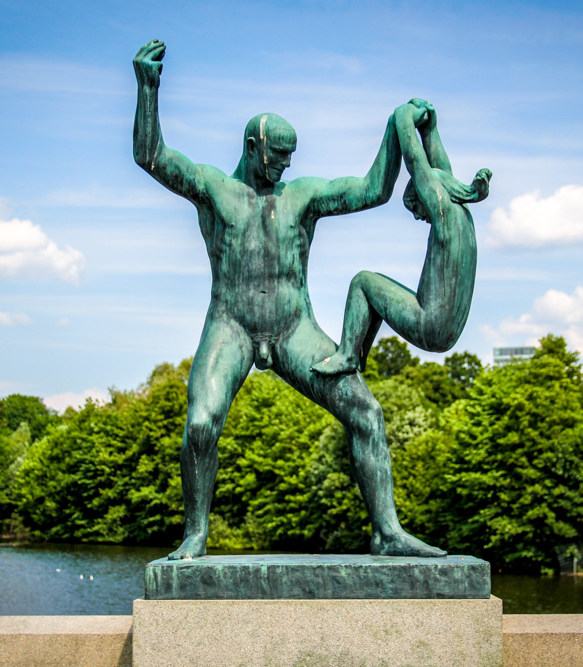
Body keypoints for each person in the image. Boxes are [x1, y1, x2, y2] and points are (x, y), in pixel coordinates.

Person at [132, 39, 444, 560]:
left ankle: (387, 532)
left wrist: (398, 127)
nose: (284, 166)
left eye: (289, 158)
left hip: (294, 328)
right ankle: (195, 532)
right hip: (230, 324)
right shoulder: (213, 188)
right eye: (277, 157)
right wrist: (148, 88)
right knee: (201, 424)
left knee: (367, 413)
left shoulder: (302, 196)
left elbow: (373, 189)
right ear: (253, 146)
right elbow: (151, 157)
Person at [312, 103, 490, 375]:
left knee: (363, 281)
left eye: (415, 207)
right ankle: (358, 356)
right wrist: (429, 130)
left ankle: (347, 356)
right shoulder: (462, 215)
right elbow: (440, 171)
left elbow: (418, 164)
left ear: (427, 196)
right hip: (448, 330)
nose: (419, 217)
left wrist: (403, 118)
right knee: (376, 290)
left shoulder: (444, 215)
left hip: (430, 325)